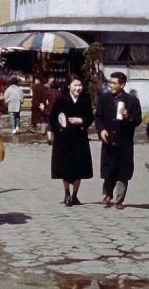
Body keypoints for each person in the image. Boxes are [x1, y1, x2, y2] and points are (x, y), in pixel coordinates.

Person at [95, 71, 142, 209]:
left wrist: (128, 116)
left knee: (123, 171)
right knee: (109, 169)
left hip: (124, 141)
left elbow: (137, 120)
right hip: (109, 140)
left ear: (122, 85)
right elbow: (98, 117)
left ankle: (119, 200)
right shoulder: (104, 98)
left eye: (114, 83)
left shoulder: (133, 101)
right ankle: (107, 194)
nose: (111, 85)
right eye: (110, 82)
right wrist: (101, 130)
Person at [50, 74, 94, 206]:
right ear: (69, 86)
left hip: (80, 137)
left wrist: (81, 121)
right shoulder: (61, 99)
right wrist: (60, 130)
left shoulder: (85, 100)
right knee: (65, 167)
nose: (78, 88)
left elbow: (90, 117)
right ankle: (67, 193)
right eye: (75, 85)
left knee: (78, 167)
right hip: (63, 139)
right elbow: (53, 118)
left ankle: (75, 195)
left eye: (80, 85)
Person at [44, 76, 61, 145]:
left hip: (49, 110)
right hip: (57, 111)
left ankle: (49, 138)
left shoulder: (47, 92)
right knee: (56, 124)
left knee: (49, 124)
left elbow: (45, 101)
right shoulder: (59, 93)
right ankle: (55, 138)